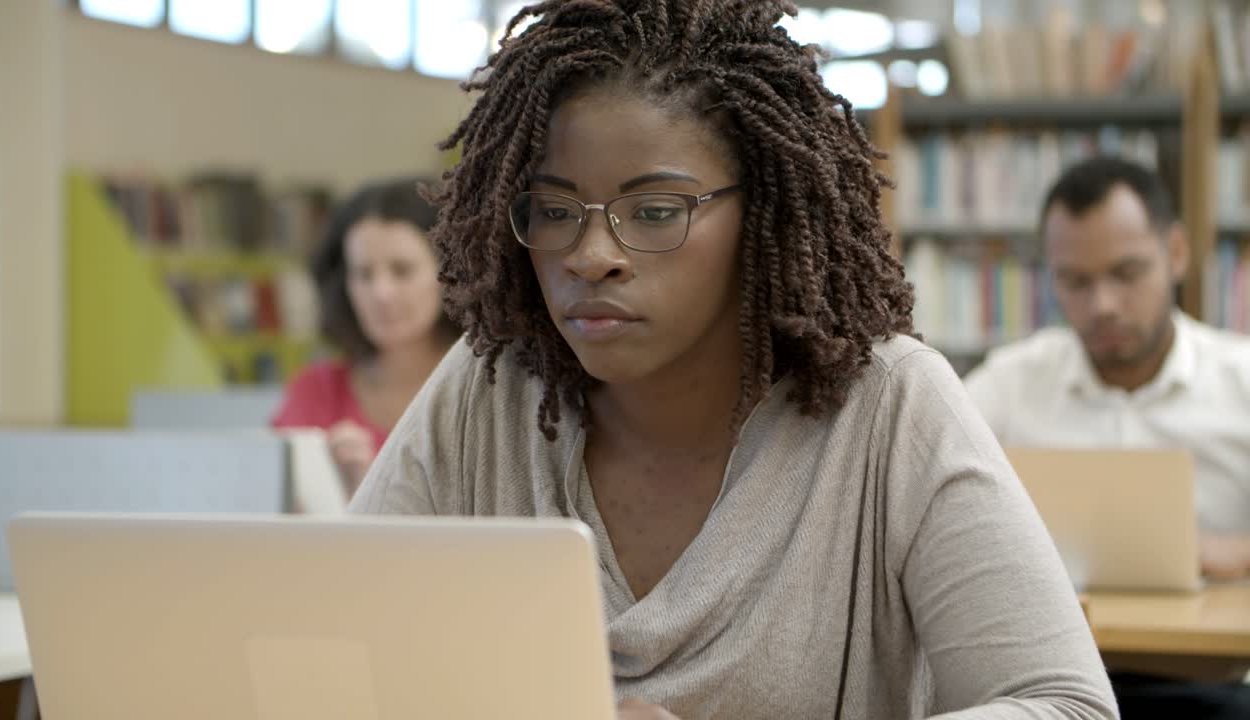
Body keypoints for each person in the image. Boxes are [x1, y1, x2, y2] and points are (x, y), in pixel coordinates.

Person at [351, 2, 1118, 718]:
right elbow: (334, 647)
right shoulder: (485, 389)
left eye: (655, 211)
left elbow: (1064, 703)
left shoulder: (891, 405)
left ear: (764, 217)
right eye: (554, 212)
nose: (590, 256)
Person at [964, 156, 1250, 719]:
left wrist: (1237, 552)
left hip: (1210, 687)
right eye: (1075, 281)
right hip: (1043, 688)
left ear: (1175, 254)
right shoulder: (1009, 384)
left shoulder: (1241, 381)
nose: (1103, 306)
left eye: (1126, 273)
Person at [273, 178, 459, 495]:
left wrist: (370, 497)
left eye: (402, 270)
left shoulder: (490, 392)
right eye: (363, 274)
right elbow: (274, 524)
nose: (381, 293)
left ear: (452, 274)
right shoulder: (316, 392)